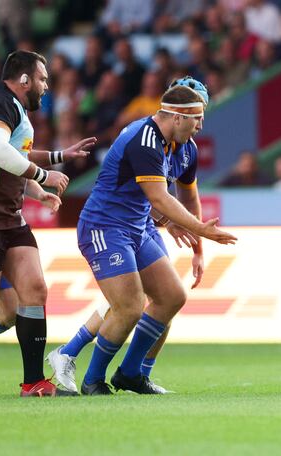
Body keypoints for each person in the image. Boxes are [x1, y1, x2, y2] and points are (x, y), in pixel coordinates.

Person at [46, 77, 211, 394]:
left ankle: (131, 373)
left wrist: (198, 246)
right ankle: (93, 379)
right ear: (178, 115)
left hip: (137, 225)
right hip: (105, 227)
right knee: (130, 306)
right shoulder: (144, 139)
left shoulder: (185, 148)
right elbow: (160, 198)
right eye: (198, 116)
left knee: (171, 297)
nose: (202, 124)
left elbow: (188, 197)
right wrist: (199, 228)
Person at [0, 51, 88, 397]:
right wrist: (43, 175)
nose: (46, 86)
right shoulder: (1, 102)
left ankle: (33, 382)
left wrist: (57, 159)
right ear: (24, 80)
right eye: (43, 79)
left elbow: (17, 151)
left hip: (10, 217)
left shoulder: (13, 108)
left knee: (34, 289)